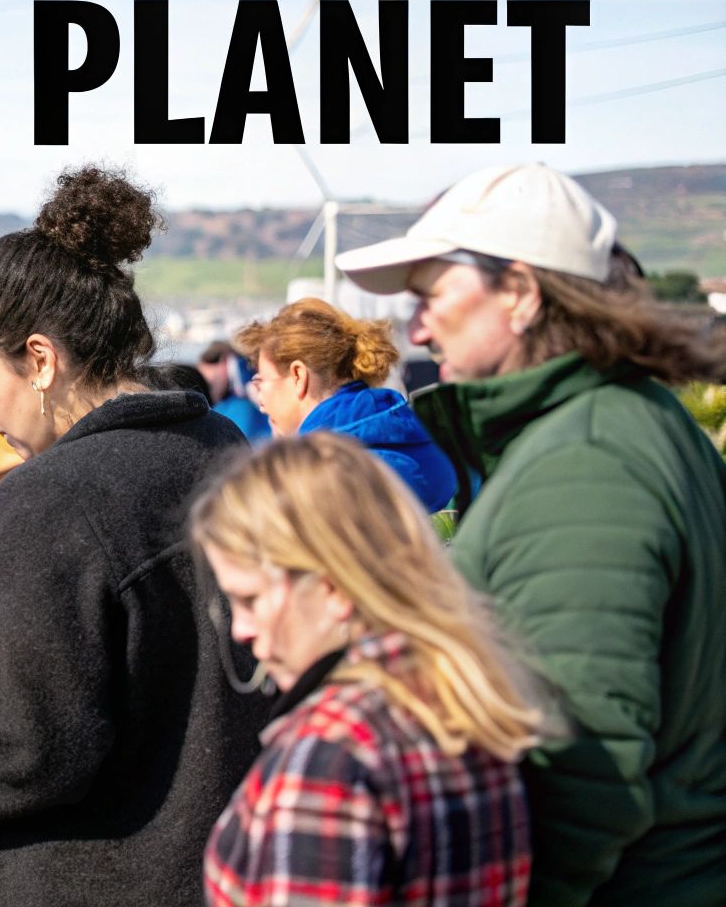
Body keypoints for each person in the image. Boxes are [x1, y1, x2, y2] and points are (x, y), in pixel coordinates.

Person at [0, 166, 268, 907]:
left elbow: (25, 752)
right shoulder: (220, 443)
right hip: (217, 866)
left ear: (40, 359)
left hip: (88, 876)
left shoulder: (55, 499)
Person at [336, 163, 726, 906]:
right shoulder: (630, 419)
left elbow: (580, 770)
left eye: (431, 294)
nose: (415, 327)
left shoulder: (586, 461)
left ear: (519, 292)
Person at [192, 433, 543, 907]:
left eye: (251, 600)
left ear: (333, 587)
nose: (242, 631)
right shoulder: (461, 689)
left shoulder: (331, 754)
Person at [234, 298, 456, 512]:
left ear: (298, 376)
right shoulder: (419, 439)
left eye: (261, 380)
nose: (261, 403)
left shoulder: (311, 476)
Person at [197, 341, 273, 444]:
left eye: (210, 384)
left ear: (224, 362)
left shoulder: (245, 386)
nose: (210, 390)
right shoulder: (228, 403)